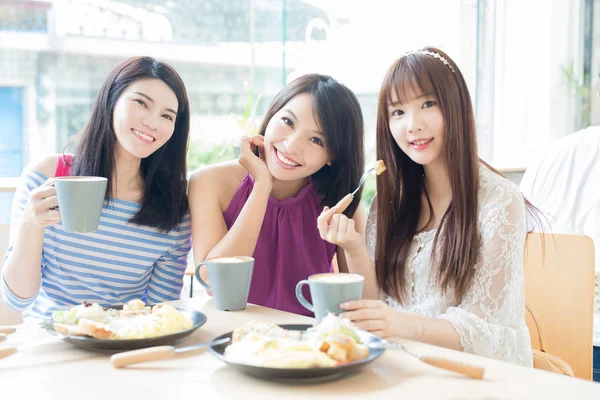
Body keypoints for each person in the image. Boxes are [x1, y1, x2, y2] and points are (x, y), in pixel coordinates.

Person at [318, 47, 533, 366]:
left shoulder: (500, 202)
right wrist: (354, 246)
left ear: (455, 106)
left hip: (481, 377)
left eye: (428, 104)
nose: (413, 125)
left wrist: (403, 324)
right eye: (398, 112)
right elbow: (377, 308)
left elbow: (481, 330)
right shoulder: (390, 201)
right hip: (406, 367)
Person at [1, 56, 192, 319]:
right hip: (51, 340)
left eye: (167, 116)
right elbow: (17, 298)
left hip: (124, 345)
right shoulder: (48, 175)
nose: (152, 122)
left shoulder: (173, 204)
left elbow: (162, 312)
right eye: (141, 103)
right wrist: (31, 224)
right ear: (111, 99)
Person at [189, 73, 365, 316]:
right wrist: (262, 186)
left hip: (310, 344)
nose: (292, 145)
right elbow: (212, 281)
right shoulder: (208, 182)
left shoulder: (339, 202)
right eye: (288, 122)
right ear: (271, 114)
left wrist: (355, 247)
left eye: (316, 139)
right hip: (232, 339)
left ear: (333, 156)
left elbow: (366, 309)